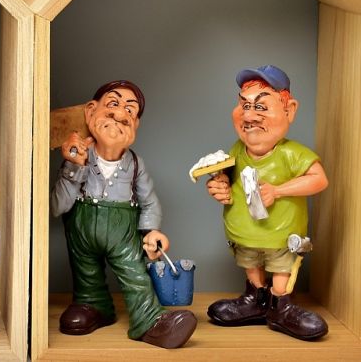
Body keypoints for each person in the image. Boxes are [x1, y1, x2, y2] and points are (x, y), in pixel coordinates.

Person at [51, 80, 196, 349]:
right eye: (113, 104)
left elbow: (149, 202)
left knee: (135, 275)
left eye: (130, 110)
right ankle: (93, 305)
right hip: (82, 231)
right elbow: (58, 206)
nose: (119, 114)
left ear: (136, 124)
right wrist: (73, 167)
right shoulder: (78, 155)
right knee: (86, 273)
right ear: (91, 111)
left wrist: (152, 231)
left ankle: (150, 320)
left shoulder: (136, 164)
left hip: (123, 235)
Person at [200, 65, 329, 340]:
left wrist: (279, 190)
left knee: (282, 269)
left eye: (260, 107)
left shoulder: (292, 154)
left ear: (289, 110)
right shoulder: (237, 149)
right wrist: (219, 184)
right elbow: (227, 176)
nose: (249, 116)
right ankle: (255, 301)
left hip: (280, 235)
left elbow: (319, 180)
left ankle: (281, 306)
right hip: (243, 234)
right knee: (251, 264)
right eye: (244, 105)